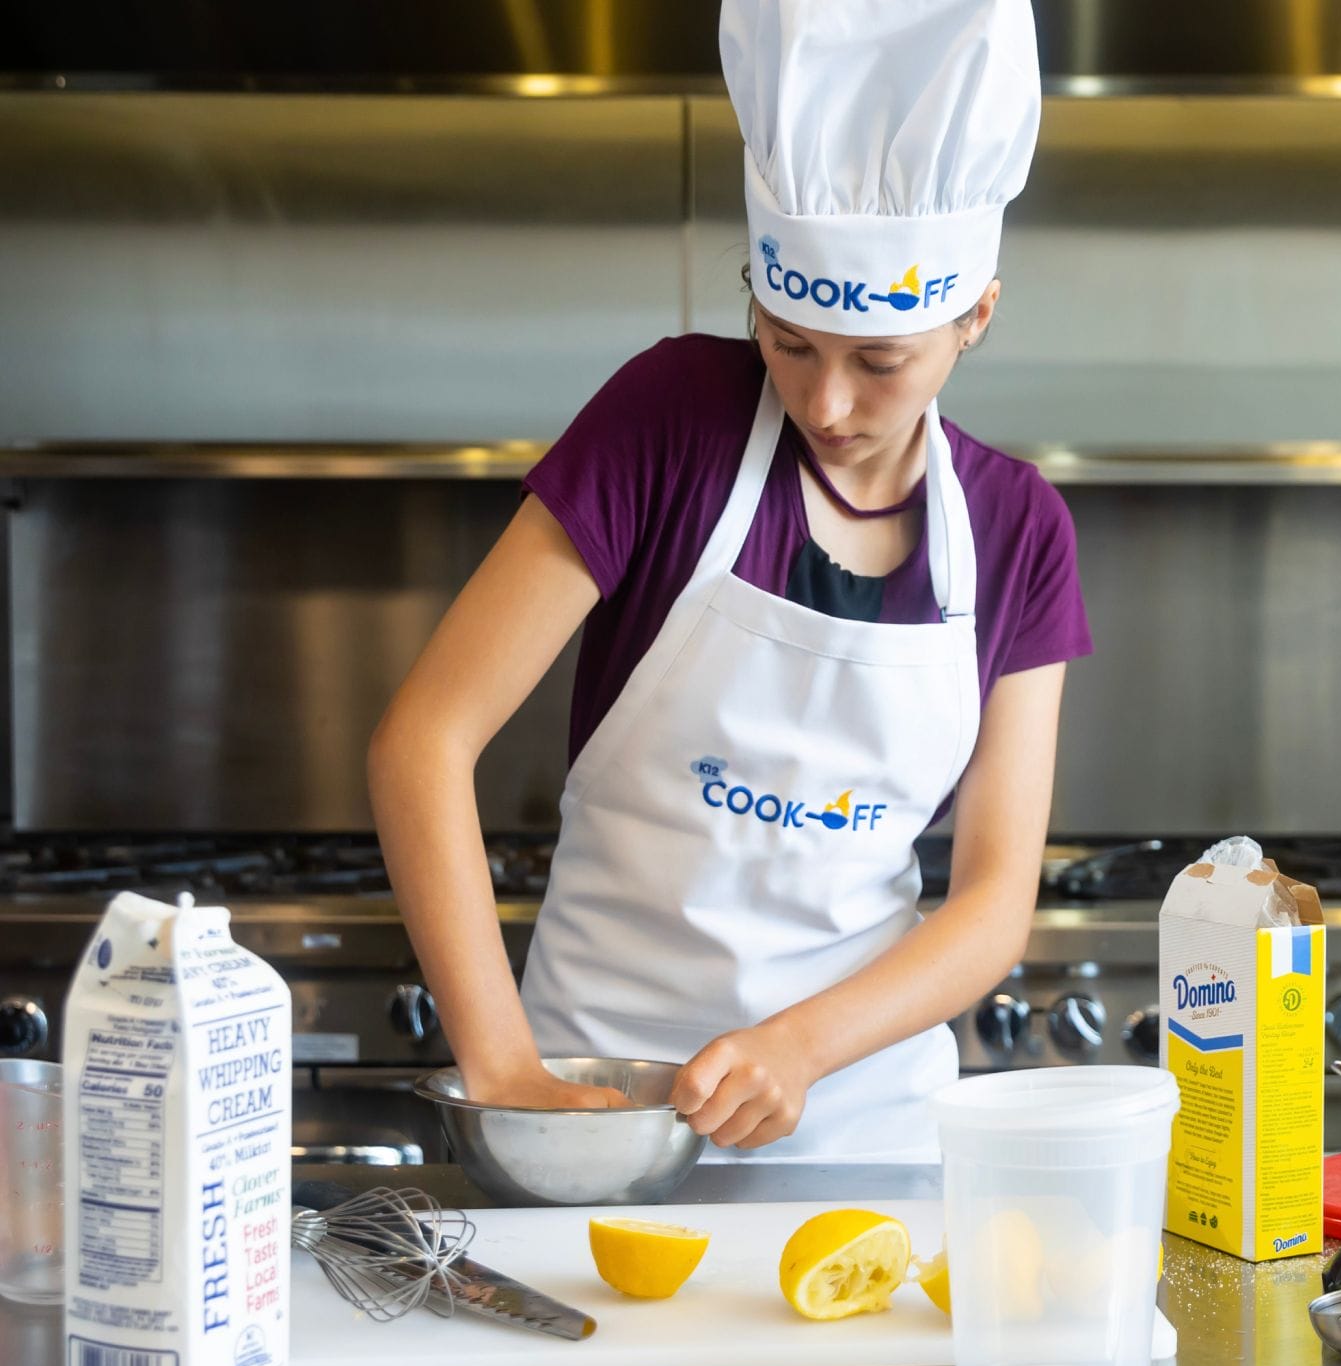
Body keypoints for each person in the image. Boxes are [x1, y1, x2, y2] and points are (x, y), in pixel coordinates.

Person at [368, 0, 1081, 1163]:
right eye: (788, 339)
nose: (827, 404)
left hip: (864, 1123)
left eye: (879, 362)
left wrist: (799, 1046)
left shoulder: (1017, 528)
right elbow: (422, 741)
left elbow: (993, 904)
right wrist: (505, 1068)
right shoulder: (669, 421)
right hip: (593, 1101)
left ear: (974, 318)